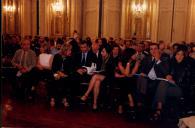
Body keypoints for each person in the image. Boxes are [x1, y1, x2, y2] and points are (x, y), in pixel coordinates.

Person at [80, 45, 115, 110]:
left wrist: (98, 73)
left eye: (103, 52)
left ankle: (86, 94)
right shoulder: (101, 58)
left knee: (95, 76)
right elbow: (97, 67)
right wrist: (95, 71)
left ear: (108, 52)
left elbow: (109, 73)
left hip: (109, 78)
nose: (101, 53)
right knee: (97, 82)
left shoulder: (111, 60)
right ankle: (95, 103)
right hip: (101, 76)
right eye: (101, 51)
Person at [115, 48, 140, 115]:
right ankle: (130, 99)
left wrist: (127, 75)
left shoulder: (137, 61)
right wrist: (128, 63)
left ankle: (120, 106)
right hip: (121, 79)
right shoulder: (120, 62)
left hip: (129, 79)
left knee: (126, 81)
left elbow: (132, 73)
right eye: (135, 54)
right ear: (130, 54)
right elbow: (126, 73)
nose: (136, 55)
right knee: (125, 81)